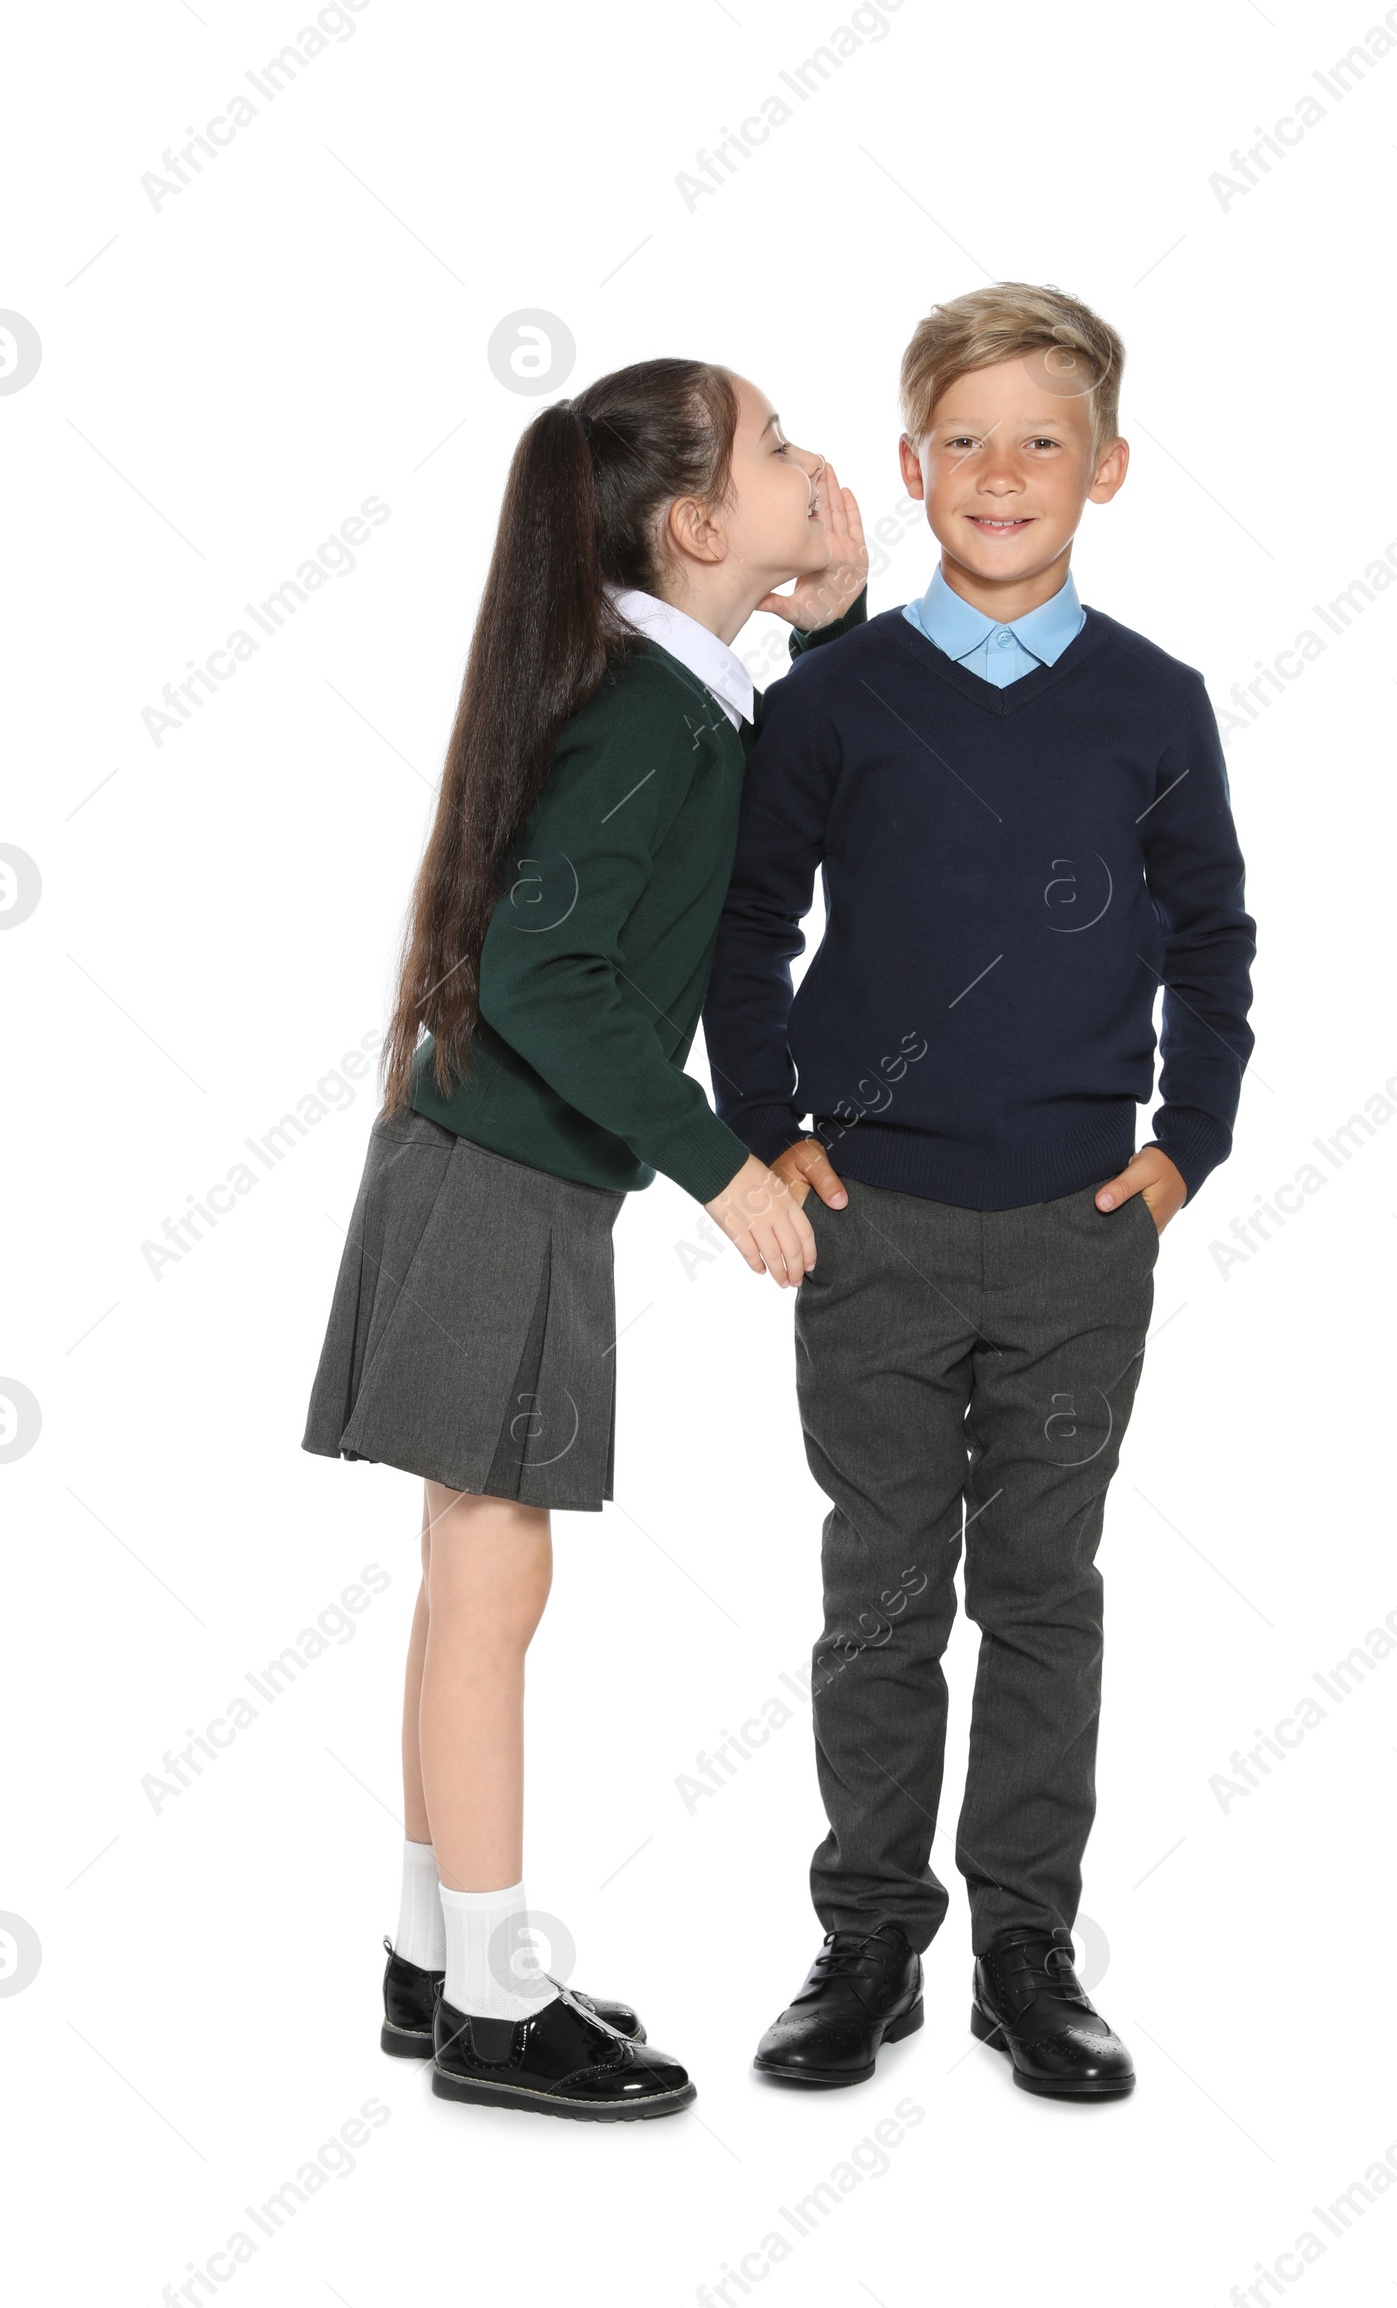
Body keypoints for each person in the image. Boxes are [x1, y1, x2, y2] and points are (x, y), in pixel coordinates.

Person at [703, 283, 1256, 2100]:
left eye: (1040, 441)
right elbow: (750, 921)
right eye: (966, 439)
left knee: (1044, 1589)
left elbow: (1212, 938)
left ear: (1104, 468)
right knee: (879, 1592)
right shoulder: (841, 695)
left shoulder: (1154, 704)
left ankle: (1028, 1944)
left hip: (1086, 1234)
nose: (1001, 473)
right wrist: (778, 1127)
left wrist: (1191, 1146)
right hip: (878, 1228)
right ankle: (869, 1937)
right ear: (912, 464)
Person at [303, 357, 867, 2120]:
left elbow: (789, 801)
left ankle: (431, 1955)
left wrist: (833, 631)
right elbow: (547, 968)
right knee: (495, 1577)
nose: (813, 462)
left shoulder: (682, 700)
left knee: (473, 1568)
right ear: (701, 524)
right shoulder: (643, 710)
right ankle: (486, 1999)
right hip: (501, 1179)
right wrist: (724, 1170)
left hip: (496, 1169)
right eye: (777, 447)